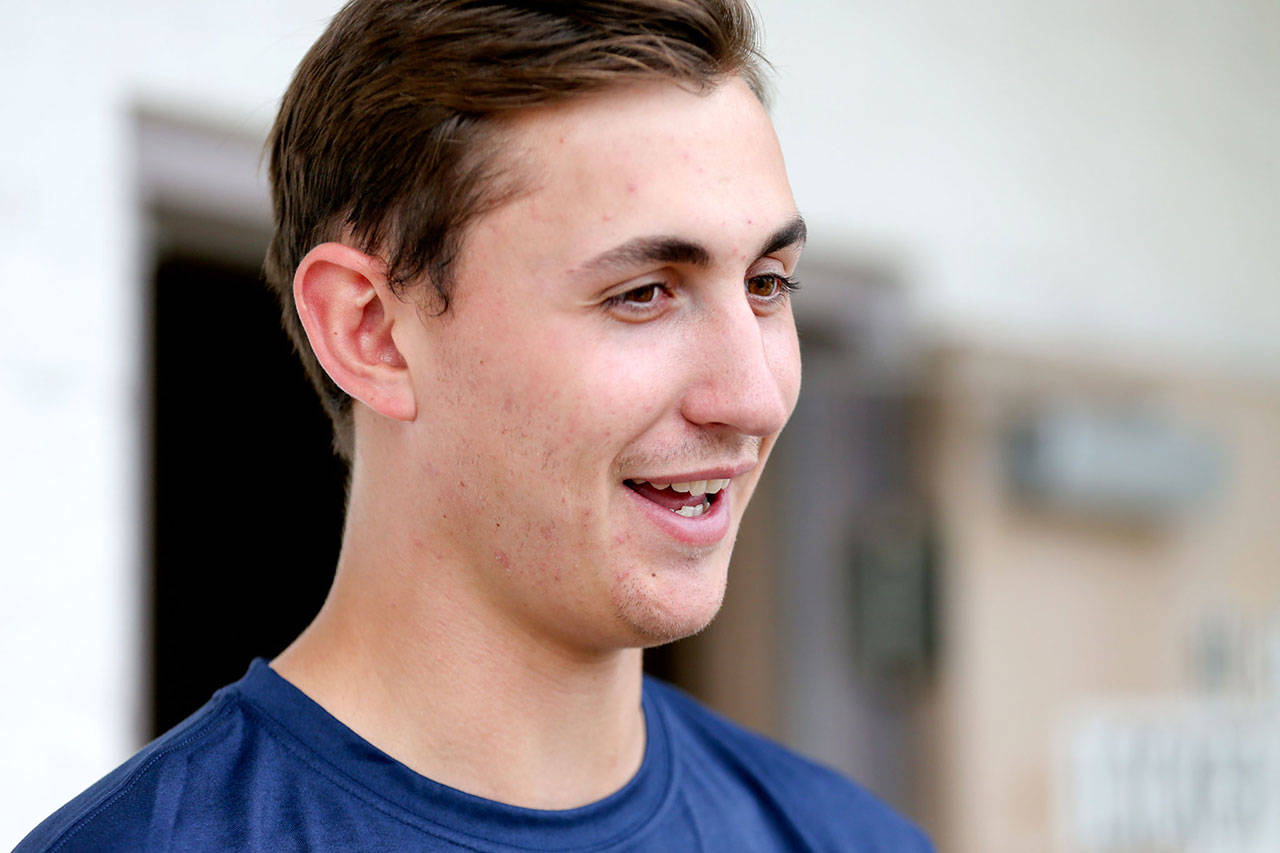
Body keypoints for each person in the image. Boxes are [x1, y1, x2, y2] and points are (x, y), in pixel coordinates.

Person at [20, 1, 933, 849]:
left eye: (768, 285)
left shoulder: (846, 837)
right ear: (370, 331)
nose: (753, 397)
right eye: (643, 293)